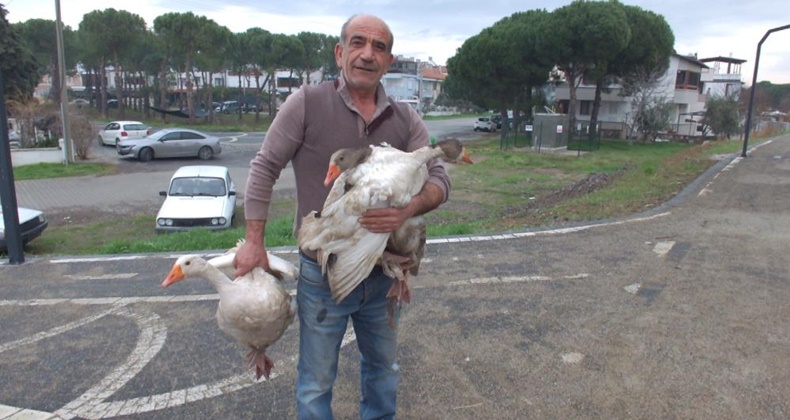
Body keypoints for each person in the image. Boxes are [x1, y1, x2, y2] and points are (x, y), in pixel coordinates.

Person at [233, 14, 451, 419]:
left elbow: (440, 178)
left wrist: (407, 209)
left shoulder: (405, 118)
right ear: (339, 53)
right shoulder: (306, 103)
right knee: (316, 382)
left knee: (383, 372)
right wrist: (253, 242)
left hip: (383, 274)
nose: (368, 54)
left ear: (389, 61)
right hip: (322, 271)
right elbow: (264, 168)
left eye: (379, 47)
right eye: (358, 42)